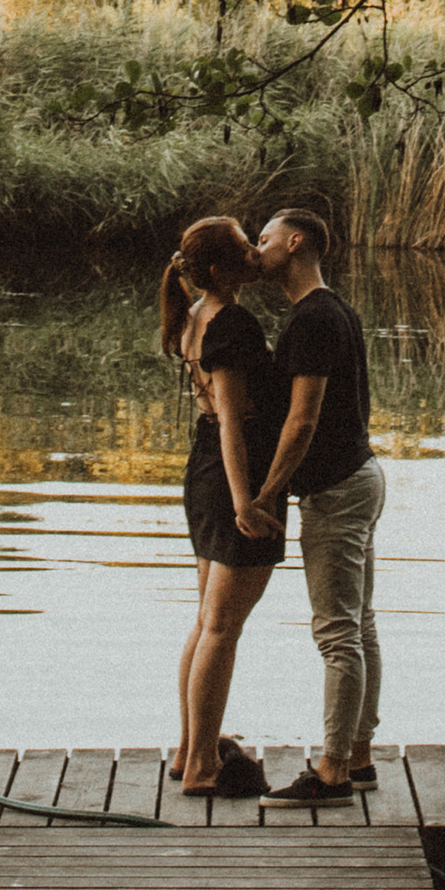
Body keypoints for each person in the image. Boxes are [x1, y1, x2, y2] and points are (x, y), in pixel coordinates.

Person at [240, 205, 382, 802]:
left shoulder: (314, 320)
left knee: (336, 634)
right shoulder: (331, 310)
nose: (257, 248)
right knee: (359, 626)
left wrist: (265, 494)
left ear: (294, 243)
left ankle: (332, 772)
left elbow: (303, 419)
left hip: (337, 490)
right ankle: (358, 754)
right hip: (359, 477)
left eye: (265, 239)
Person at [158, 213, 284, 799]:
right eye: (243, 246)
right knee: (221, 627)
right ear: (219, 269)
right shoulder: (231, 323)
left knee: (208, 621)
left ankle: (189, 750)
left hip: (202, 467)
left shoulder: (197, 316)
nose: (254, 251)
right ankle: (205, 768)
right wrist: (248, 502)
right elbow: (234, 421)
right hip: (233, 472)